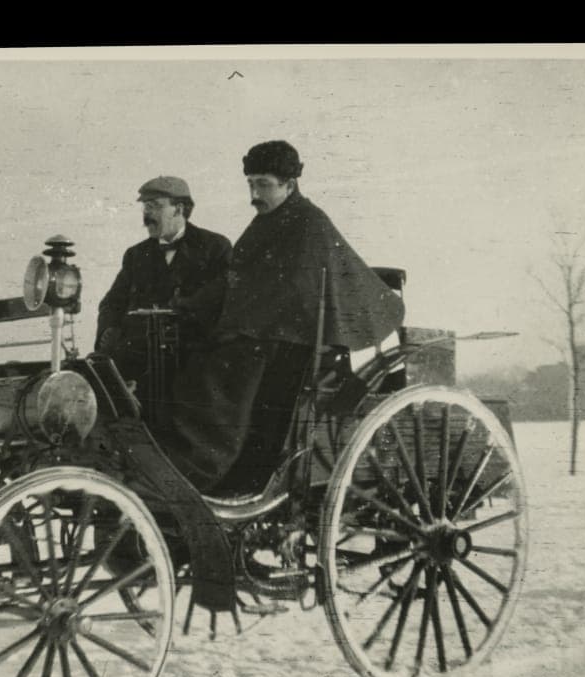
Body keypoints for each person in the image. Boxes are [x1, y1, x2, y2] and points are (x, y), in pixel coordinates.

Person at [157, 141, 406, 493]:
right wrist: (191, 305)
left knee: (222, 369)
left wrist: (236, 323)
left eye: (263, 185)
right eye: (250, 184)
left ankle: (203, 465)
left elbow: (290, 291)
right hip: (269, 329)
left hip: (294, 339)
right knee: (187, 351)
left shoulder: (308, 224)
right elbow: (236, 277)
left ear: (290, 184)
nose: (254, 195)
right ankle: (183, 459)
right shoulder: (267, 222)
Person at [95, 176, 232, 395]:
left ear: (178, 209)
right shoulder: (136, 255)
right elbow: (111, 304)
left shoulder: (215, 247)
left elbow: (224, 306)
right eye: (145, 207)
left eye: (155, 207)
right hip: (141, 361)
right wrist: (109, 333)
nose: (147, 214)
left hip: (191, 360)